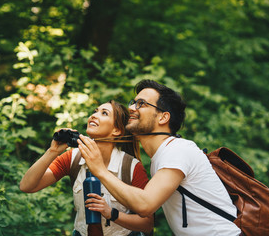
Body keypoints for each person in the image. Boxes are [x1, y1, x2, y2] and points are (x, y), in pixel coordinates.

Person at [78, 80, 242, 236]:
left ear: (163, 117)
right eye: (133, 103)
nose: (132, 108)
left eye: (141, 104)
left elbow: (145, 205)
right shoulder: (162, 155)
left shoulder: (177, 149)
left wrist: (100, 170)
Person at [19, 100, 154, 236]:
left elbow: (147, 224)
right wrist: (52, 151)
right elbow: (27, 186)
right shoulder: (73, 158)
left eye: (104, 113)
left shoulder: (131, 167)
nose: (94, 115)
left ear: (117, 130)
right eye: (95, 111)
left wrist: (111, 213)